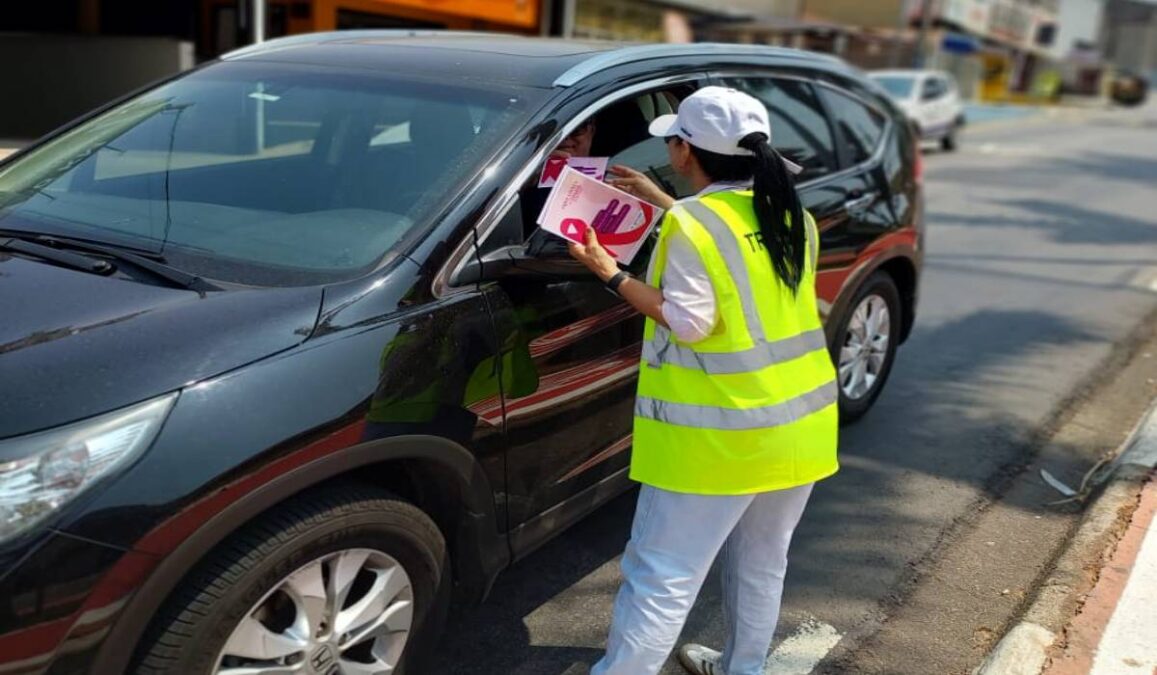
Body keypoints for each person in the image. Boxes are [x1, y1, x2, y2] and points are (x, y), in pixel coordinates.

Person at [567, 86, 840, 675]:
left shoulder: (693, 222)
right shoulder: (792, 213)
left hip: (720, 436)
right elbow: (736, 248)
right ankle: (743, 668)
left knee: (661, 574)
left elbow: (691, 319)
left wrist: (608, 272)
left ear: (685, 151)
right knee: (763, 562)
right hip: (800, 426)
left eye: (672, 140)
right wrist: (667, 202)